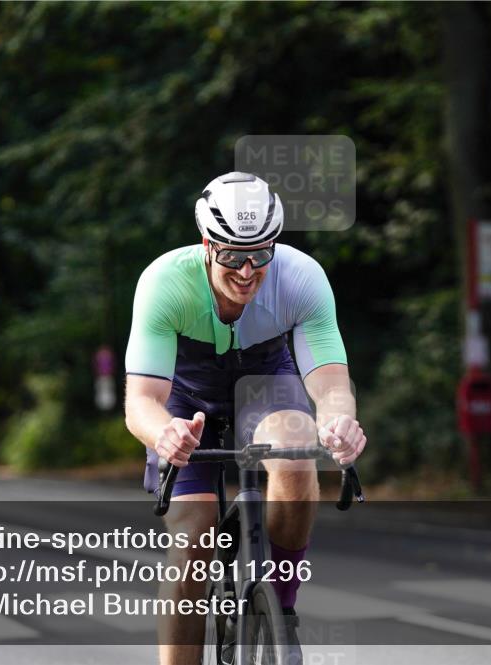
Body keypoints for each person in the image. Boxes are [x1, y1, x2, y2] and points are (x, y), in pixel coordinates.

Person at [125, 172, 366, 665]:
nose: (247, 269)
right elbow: (142, 400)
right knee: (193, 539)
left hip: (264, 382)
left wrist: (339, 420)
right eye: (232, 254)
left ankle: (280, 610)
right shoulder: (164, 281)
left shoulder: (301, 277)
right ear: (207, 243)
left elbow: (331, 384)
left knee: (297, 454)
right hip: (185, 398)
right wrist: (164, 434)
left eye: (261, 253)